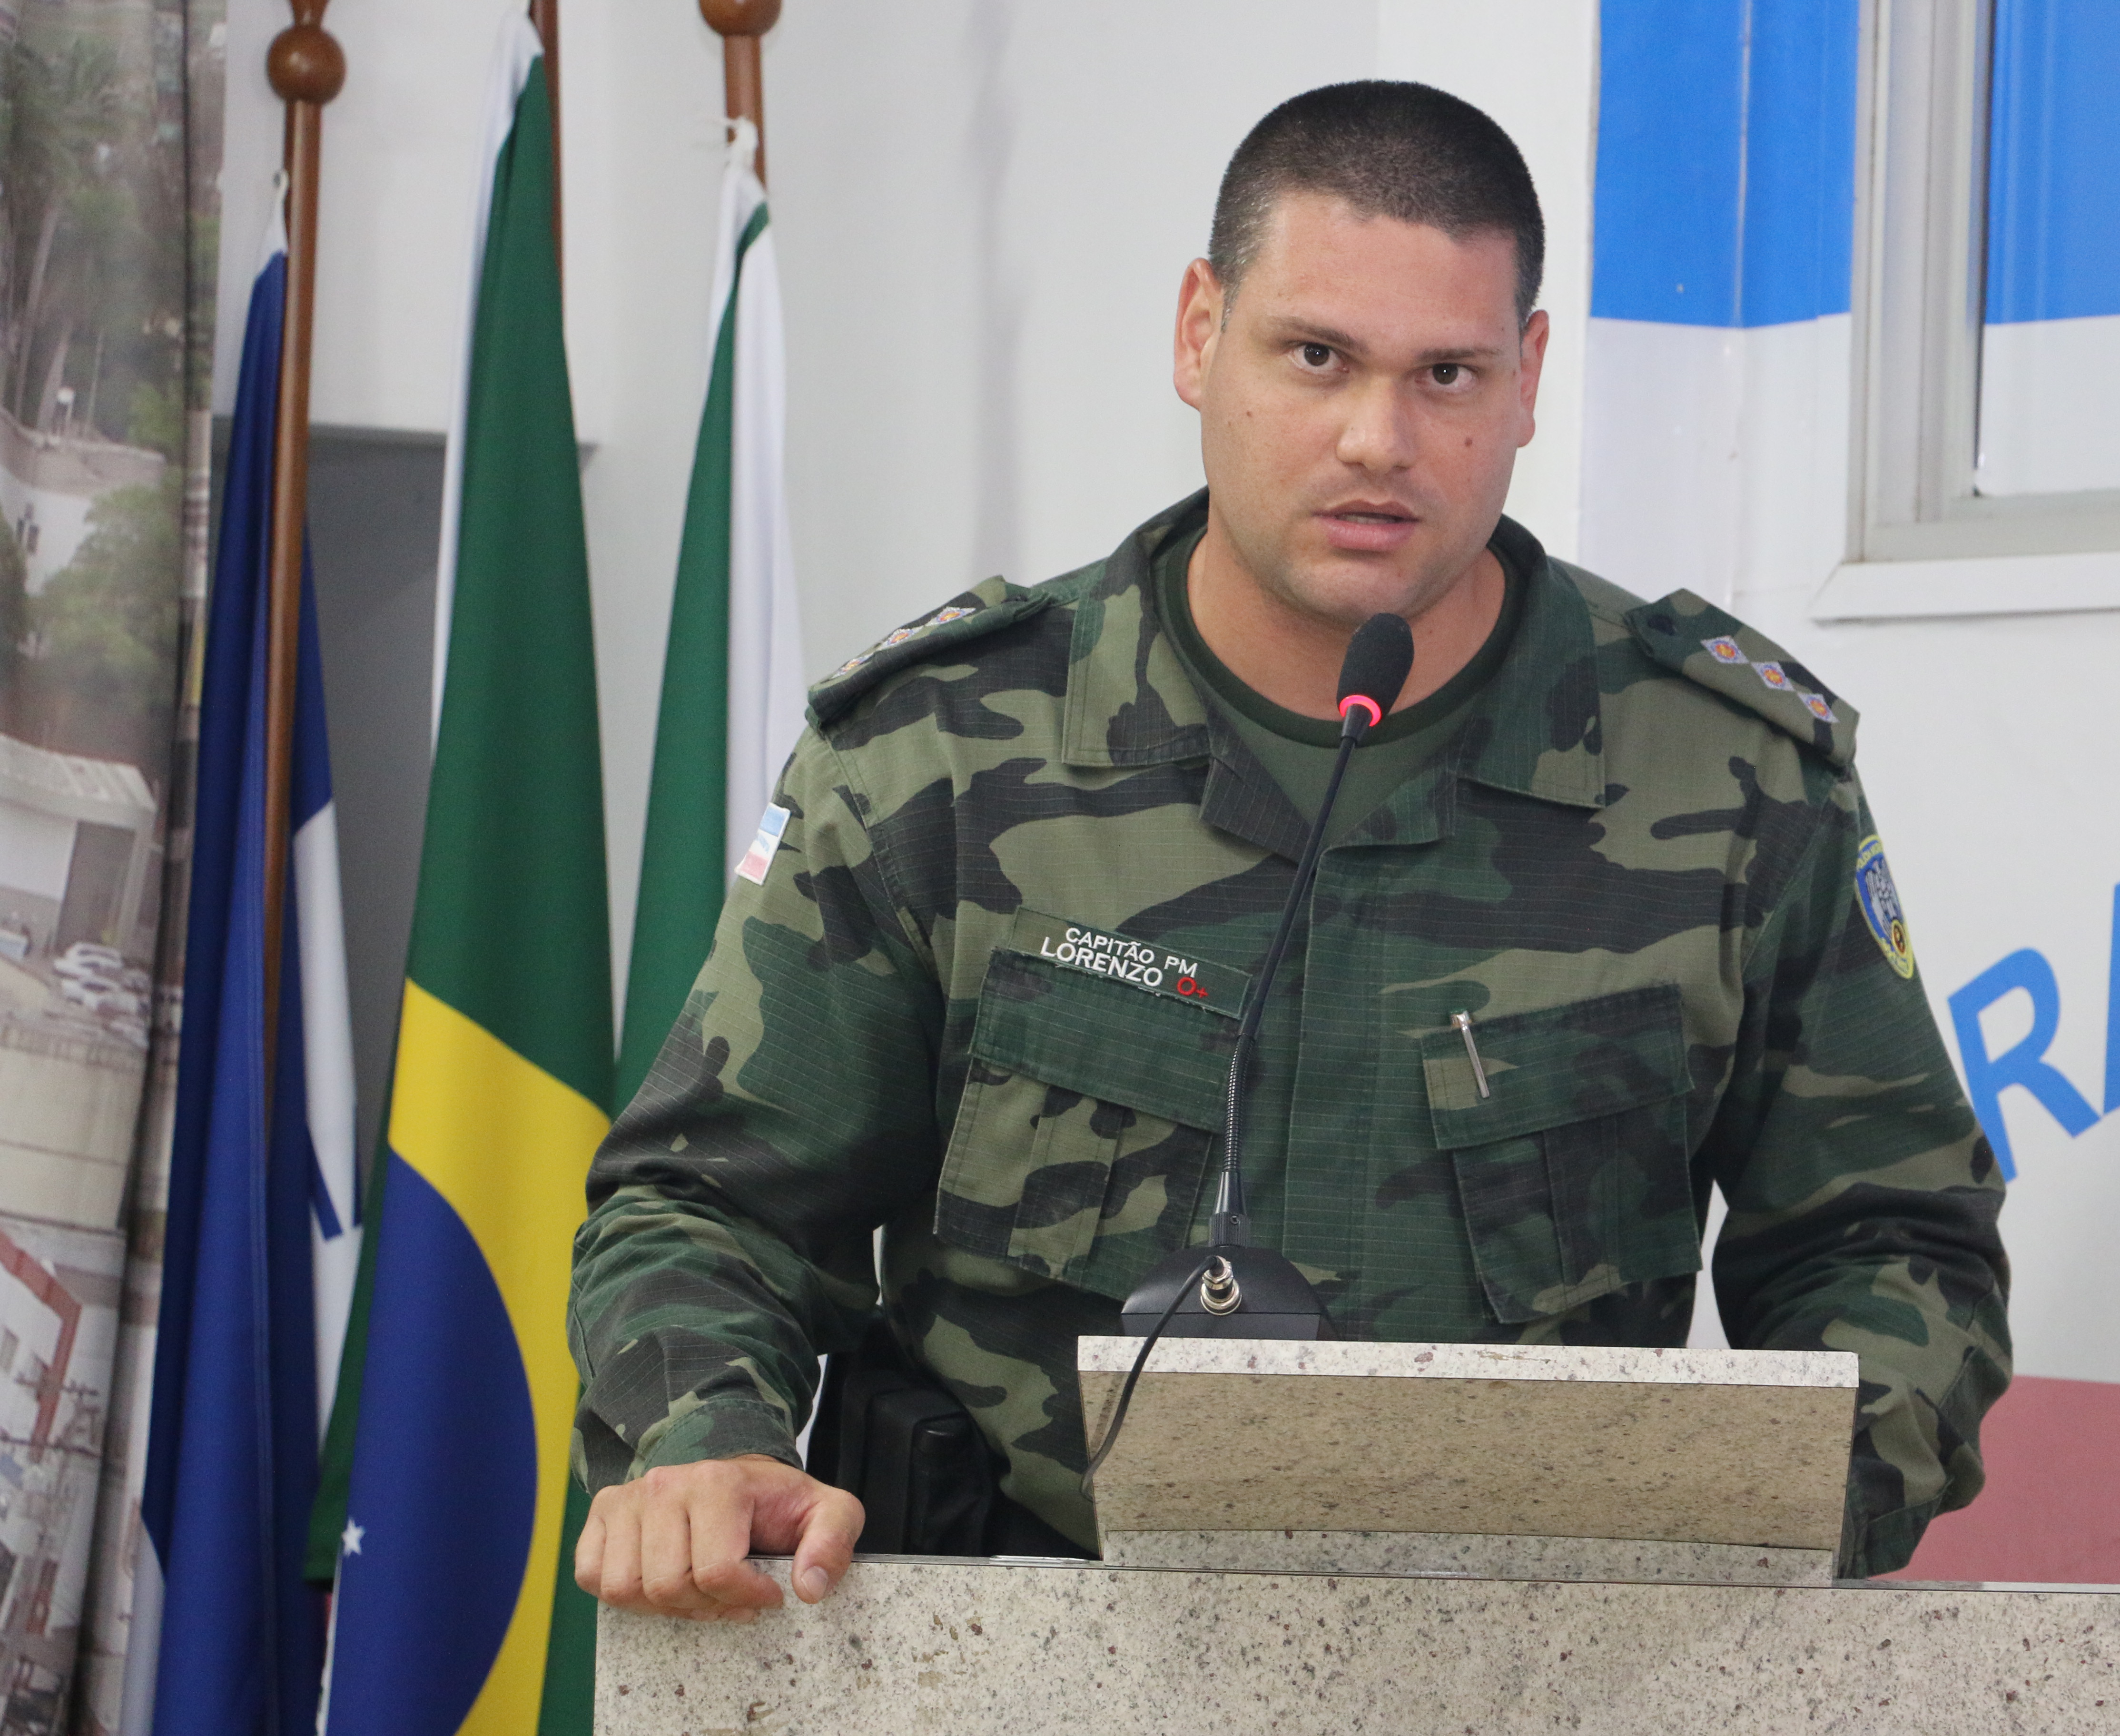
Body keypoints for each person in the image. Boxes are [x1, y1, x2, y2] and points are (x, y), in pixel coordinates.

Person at [570, 80, 2010, 1623]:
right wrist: (703, 1438)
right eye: (1316, 357)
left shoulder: (1730, 778)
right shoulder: (945, 754)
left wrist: (1743, 1540)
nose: (1378, 441)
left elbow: (1894, 1249)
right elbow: (708, 1206)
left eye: (1447, 374)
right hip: (1024, 1644)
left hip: (1543, 1660)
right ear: (1201, 335)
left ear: (1528, 378)